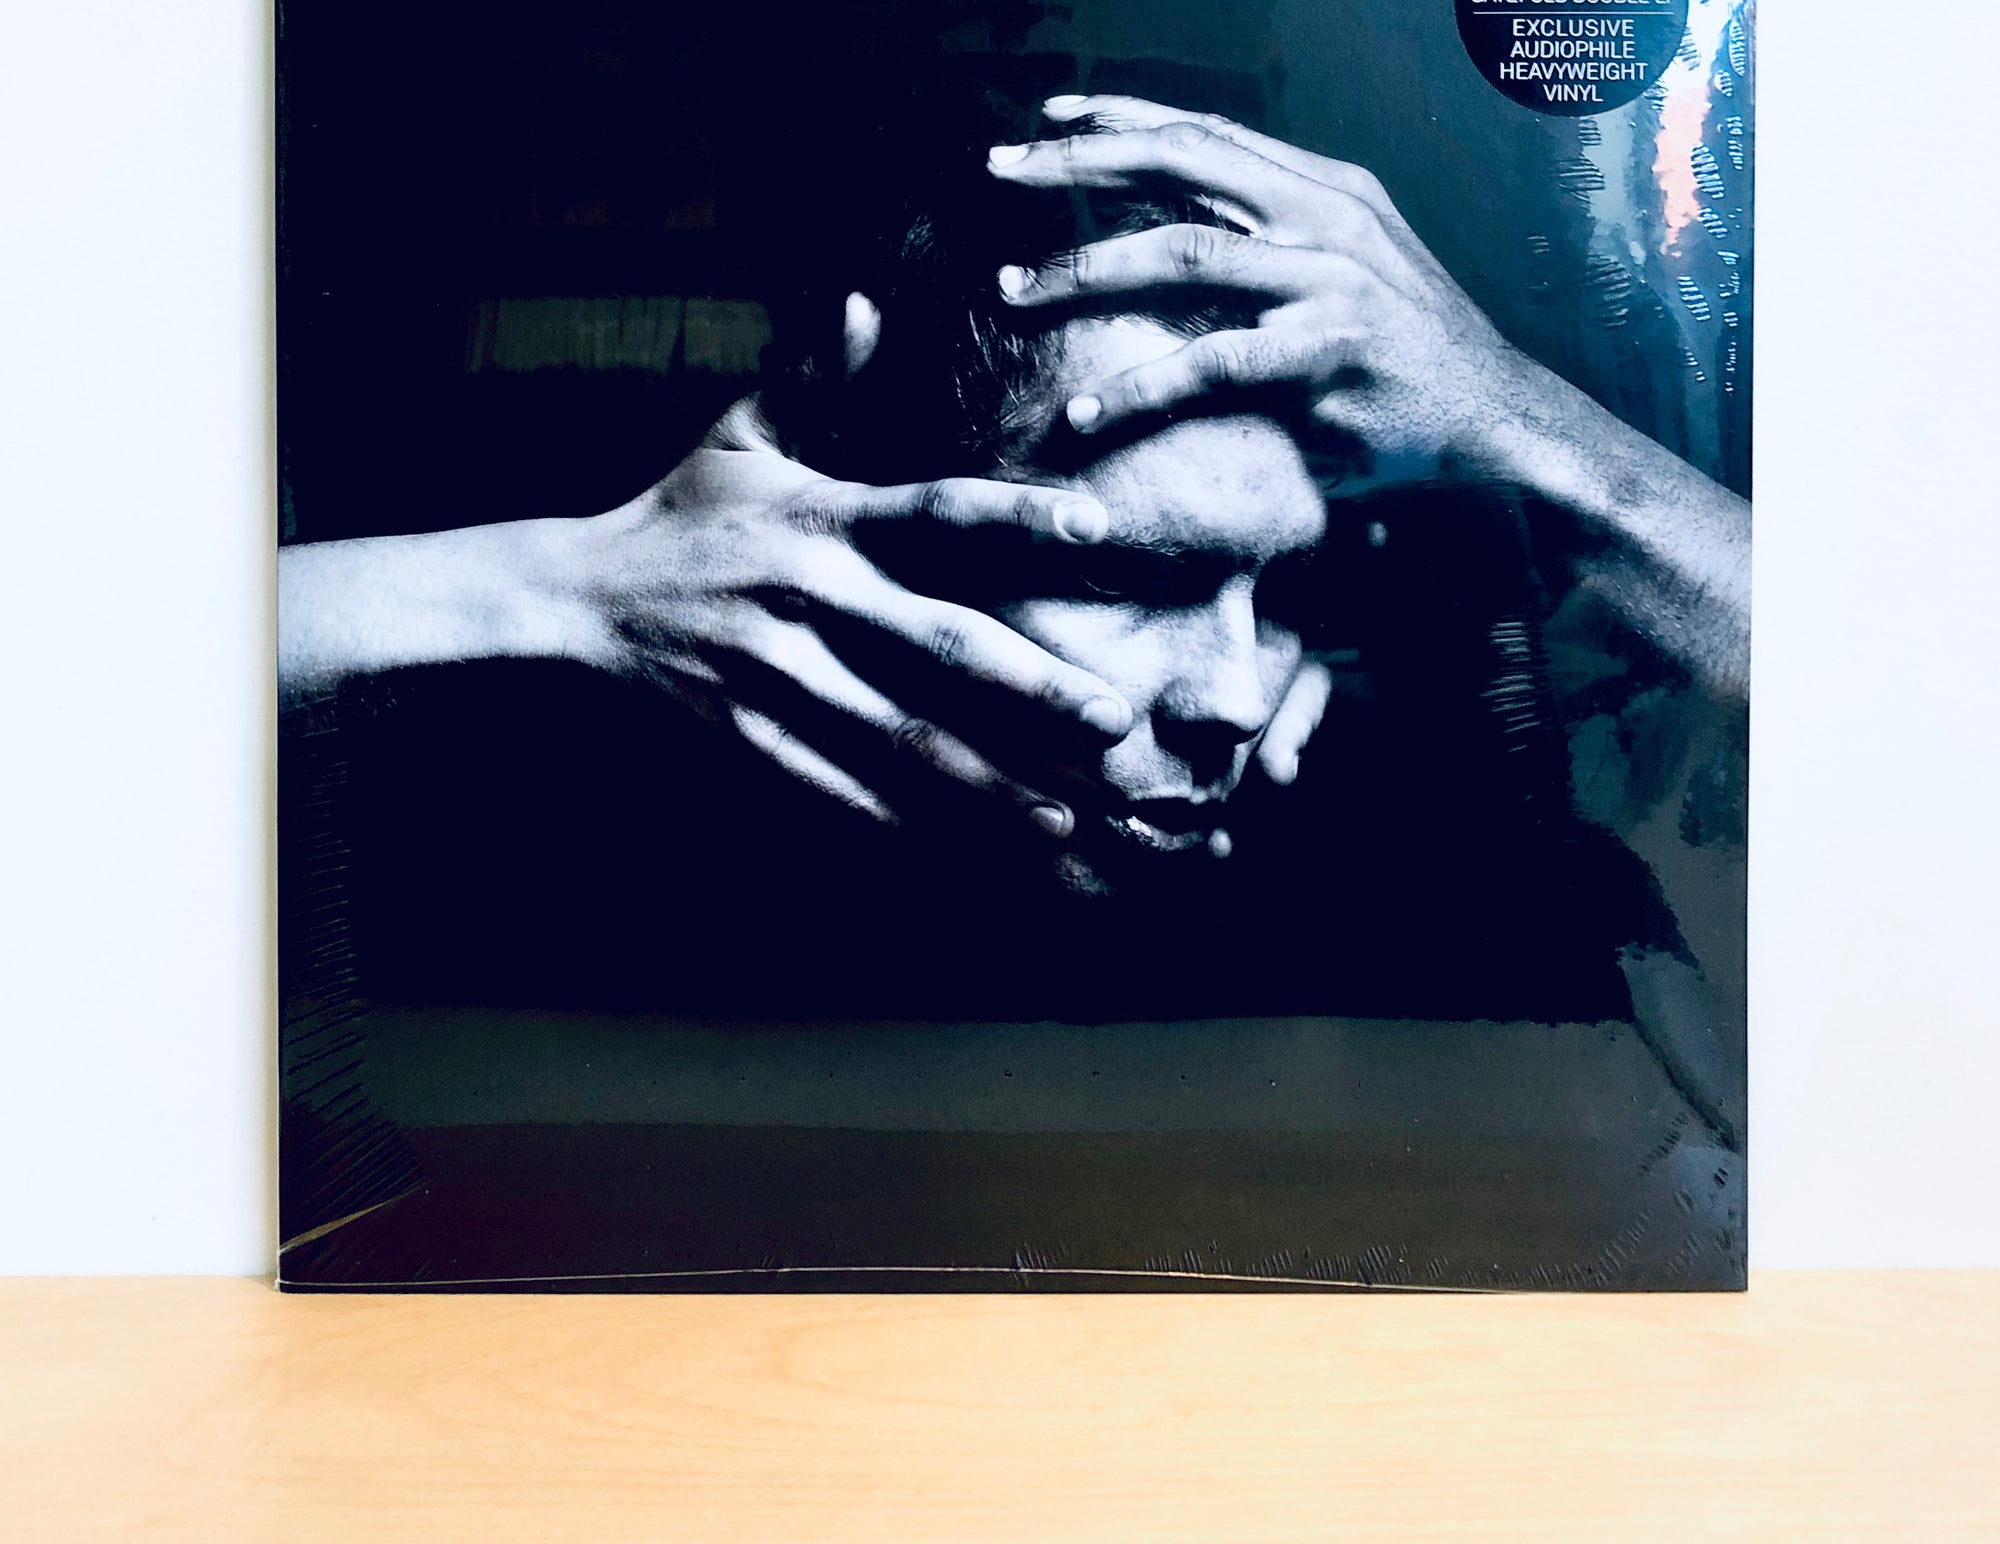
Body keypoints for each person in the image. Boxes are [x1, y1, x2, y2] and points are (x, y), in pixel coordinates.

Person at [280, 93, 1747, 1125]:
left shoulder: (1441, 888)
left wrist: (1529, 425)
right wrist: (558, 588)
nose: (1237, 699)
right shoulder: (523, 841)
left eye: (1287, 589)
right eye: (1128, 574)